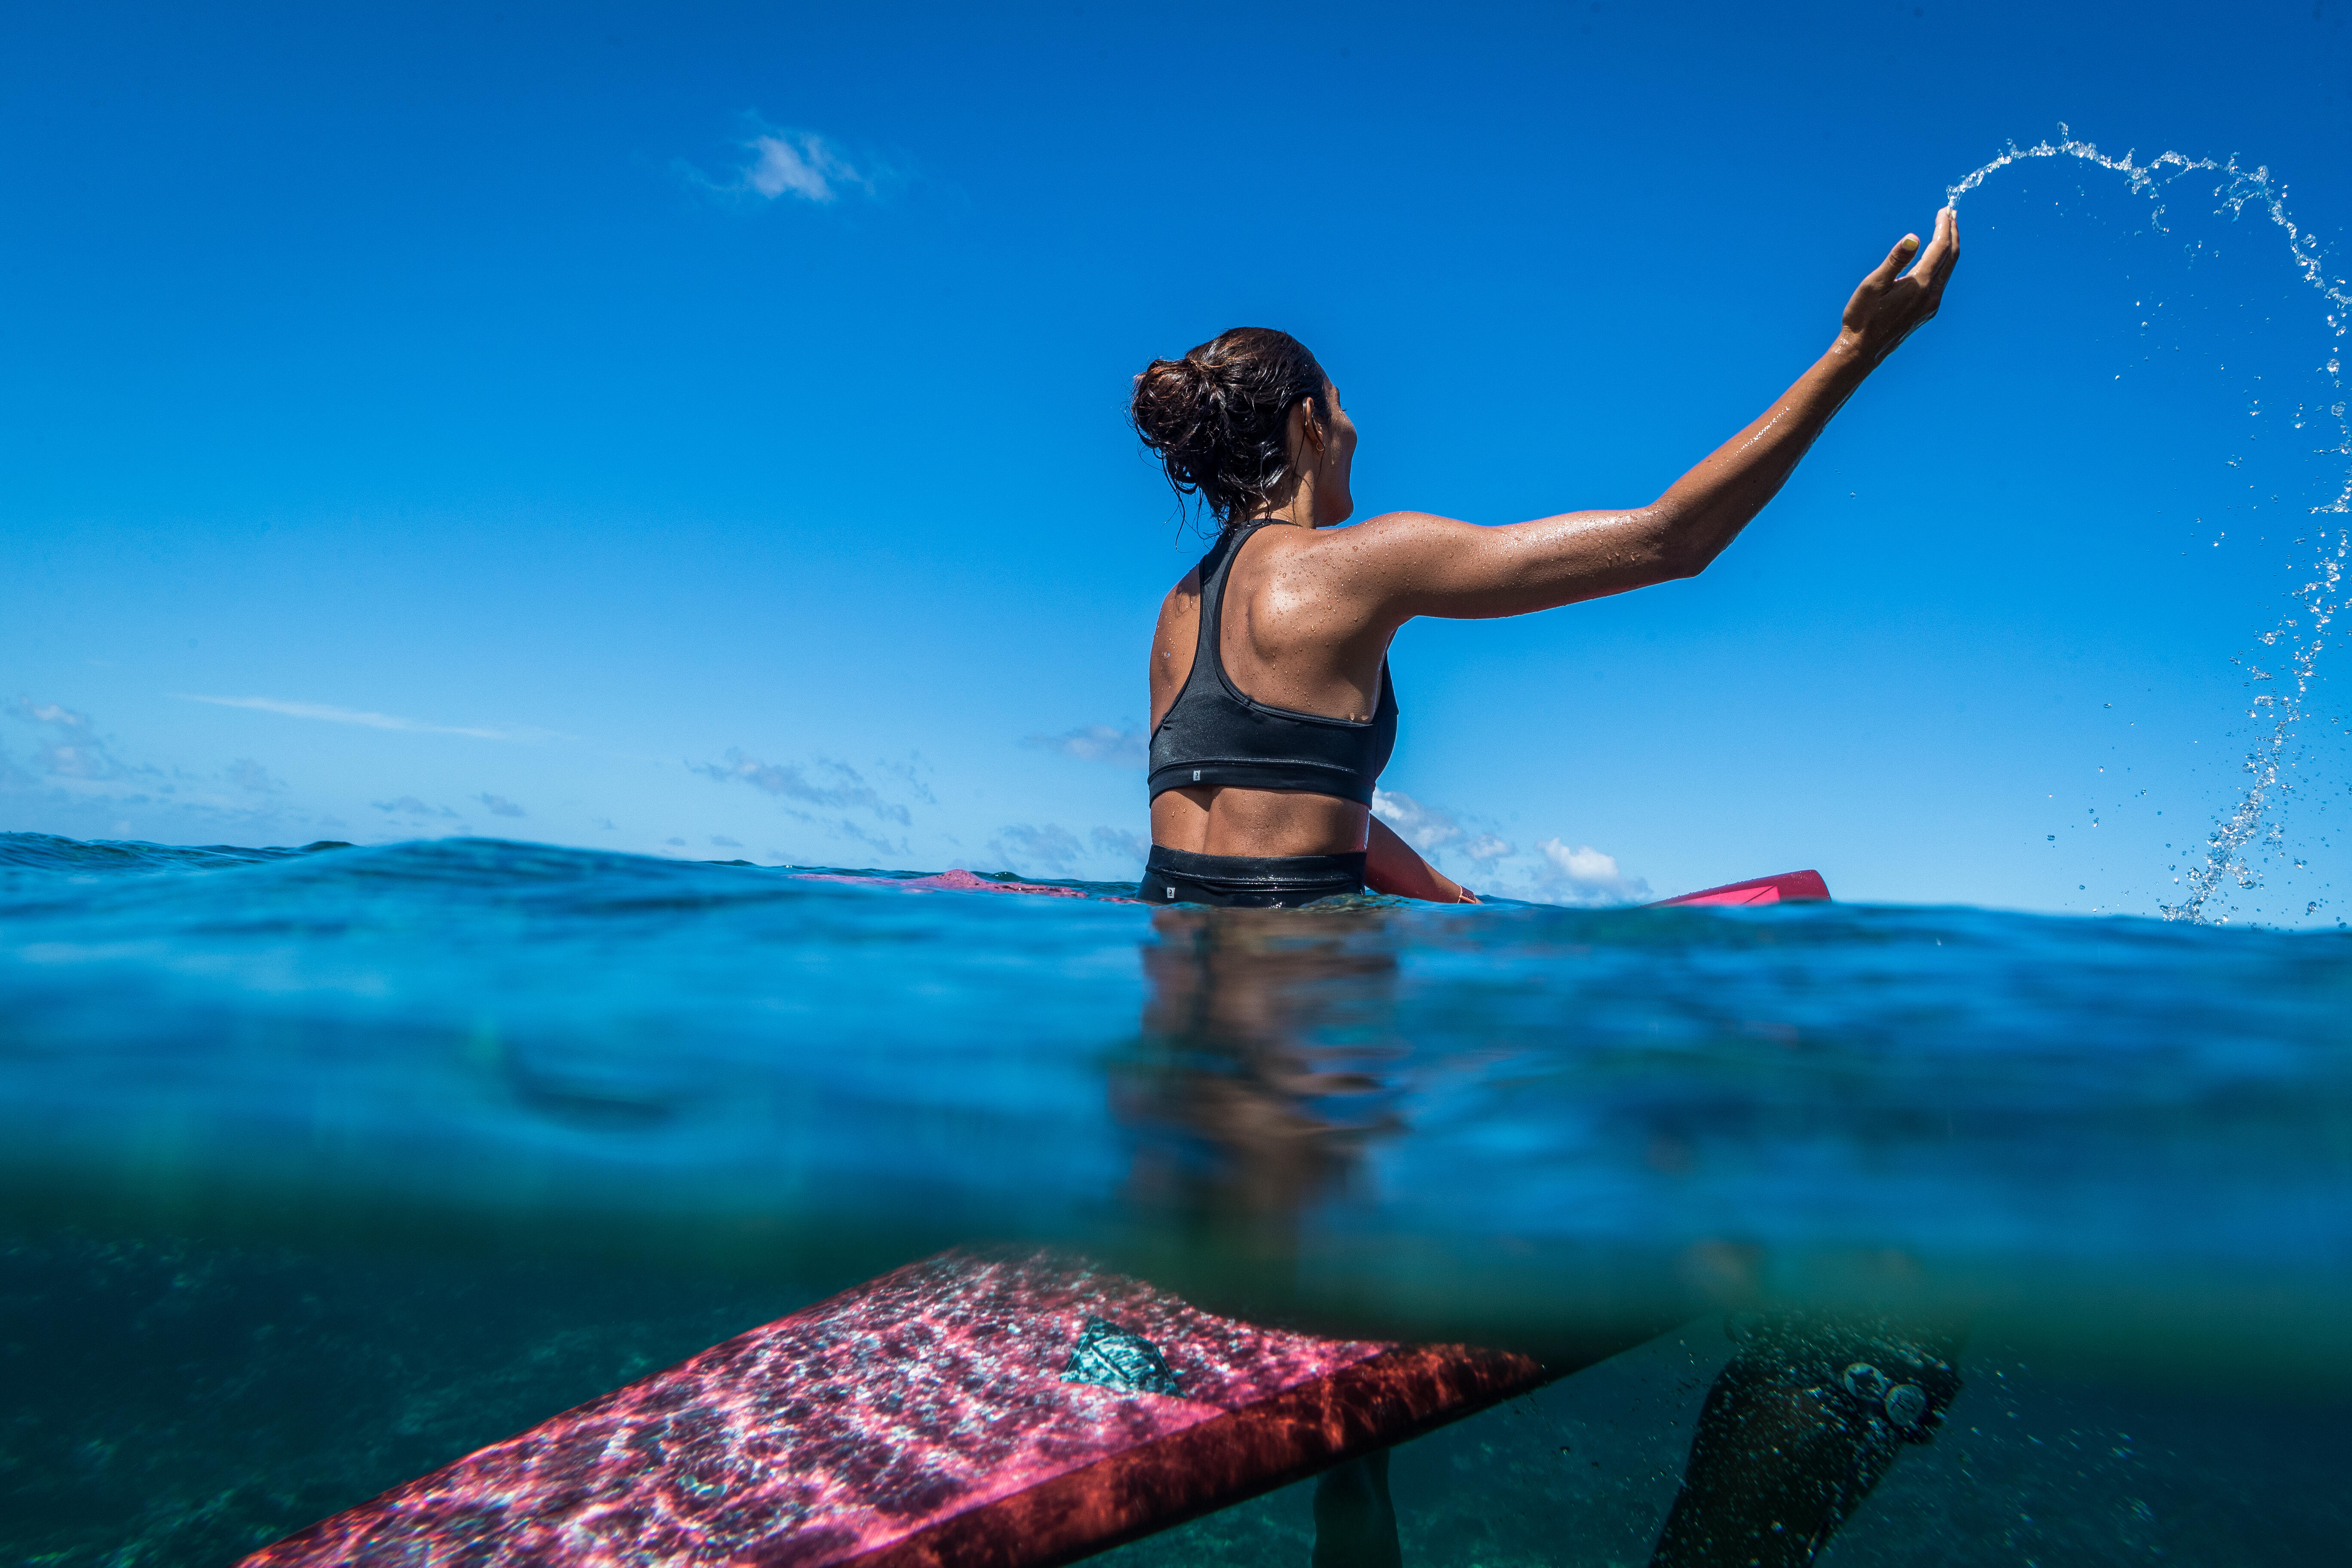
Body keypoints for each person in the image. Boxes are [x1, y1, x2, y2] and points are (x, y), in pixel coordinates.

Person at [1131, 208, 1958, 910]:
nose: (1353, 433)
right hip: (1299, 1009)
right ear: (1310, 423)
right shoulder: (1364, 561)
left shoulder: (1179, 612)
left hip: (1170, 985)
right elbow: (1672, 538)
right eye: (1342, 411)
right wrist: (1855, 351)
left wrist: (1454, 899)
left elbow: (1272, 795)